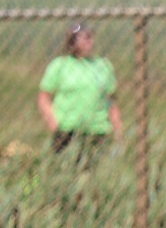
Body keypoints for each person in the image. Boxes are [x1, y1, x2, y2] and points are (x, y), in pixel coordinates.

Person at [37, 22, 122, 160]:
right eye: (85, 37)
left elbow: (112, 101)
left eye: (91, 37)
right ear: (72, 41)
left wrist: (118, 130)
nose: (90, 41)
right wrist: (53, 123)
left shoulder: (103, 65)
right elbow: (44, 98)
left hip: (98, 130)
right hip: (67, 130)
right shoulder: (60, 65)